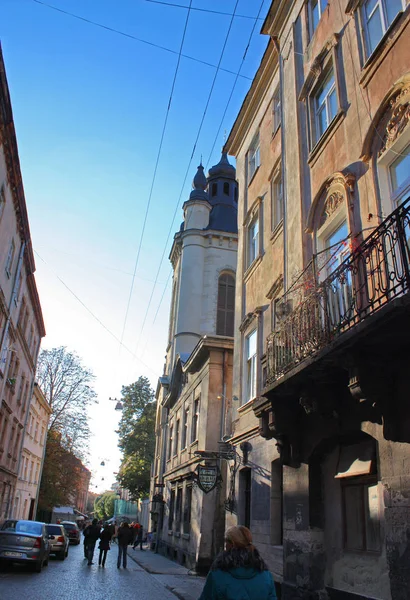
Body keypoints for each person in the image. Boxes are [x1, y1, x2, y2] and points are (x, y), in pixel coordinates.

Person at [199, 526, 277, 600]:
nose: (225, 546)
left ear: (231, 544)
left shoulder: (217, 574)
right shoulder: (266, 575)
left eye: (226, 542)